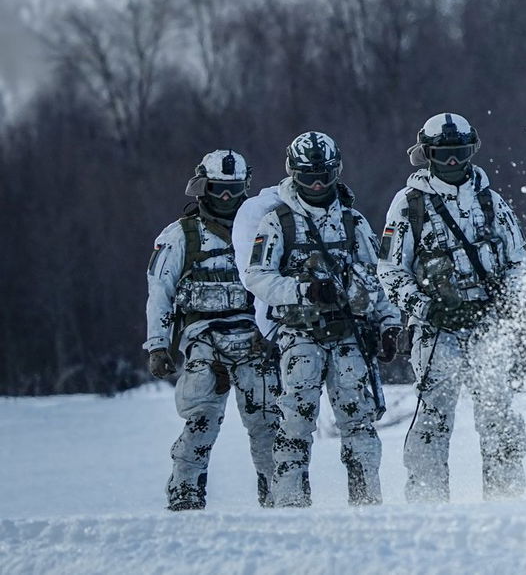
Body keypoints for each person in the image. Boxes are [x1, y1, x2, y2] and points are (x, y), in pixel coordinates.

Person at [240, 131, 402, 507]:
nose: (316, 183)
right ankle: (291, 507)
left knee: (358, 423)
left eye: (324, 175)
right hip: (299, 336)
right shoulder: (279, 222)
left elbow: (376, 277)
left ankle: (366, 504)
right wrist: (303, 290)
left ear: (336, 172)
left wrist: (389, 323)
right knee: (294, 424)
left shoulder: (352, 222)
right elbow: (257, 277)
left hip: (349, 336)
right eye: (308, 175)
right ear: (293, 172)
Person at [377, 112, 526, 502]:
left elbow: (519, 261)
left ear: (471, 151)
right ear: (427, 154)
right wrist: (424, 307)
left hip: (487, 327)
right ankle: (428, 504)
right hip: (436, 331)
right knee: (432, 418)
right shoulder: (409, 205)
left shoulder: (491, 201)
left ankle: (506, 500)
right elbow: (391, 269)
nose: (451, 162)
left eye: (458, 152)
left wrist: (507, 301)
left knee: (499, 415)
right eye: (443, 154)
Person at [144, 149, 280, 510]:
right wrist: (158, 345)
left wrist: (280, 333)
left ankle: (280, 496)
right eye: (219, 188)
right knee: (200, 418)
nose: (226, 198)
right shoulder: (180, 236)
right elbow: (160, 292)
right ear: (203, 186)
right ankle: (185, 492)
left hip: (255, 338)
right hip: (202, 339)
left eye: (233, 190)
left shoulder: (262, 228)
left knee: (267, 422)